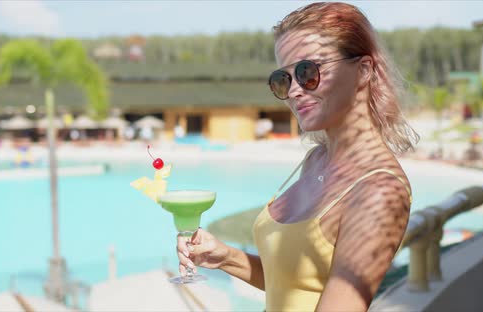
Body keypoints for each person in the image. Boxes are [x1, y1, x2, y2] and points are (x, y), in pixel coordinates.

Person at [176, 2, 418, 311]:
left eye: (308, 72)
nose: (293, 91)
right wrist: (226, 256)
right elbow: (291, 282)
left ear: (363, 70)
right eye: (283, 79)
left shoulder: (380, 192)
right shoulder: (317, 160)